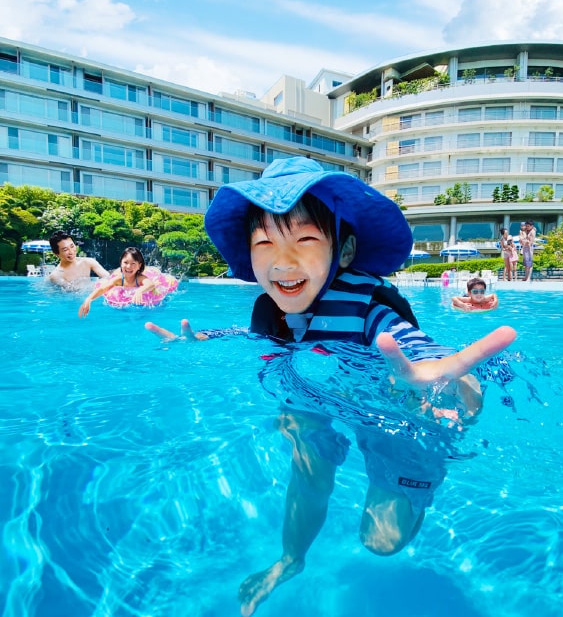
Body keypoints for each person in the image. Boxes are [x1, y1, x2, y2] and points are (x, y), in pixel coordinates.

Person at [145, 157, 516, 617]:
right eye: (265, 243)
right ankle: (291, 558)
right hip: (329, 395)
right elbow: (257, 340)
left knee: (381, 541)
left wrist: (452, 383)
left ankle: (420, 484)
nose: (284, 261)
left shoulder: (371, 310)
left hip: (400, 417)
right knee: (298, 424)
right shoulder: (273, 310)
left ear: (343, 251)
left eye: (304, 239)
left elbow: (424, 354)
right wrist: (202, 341)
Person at [78, 247, 158, 317]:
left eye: (133, 263)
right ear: (121, 263)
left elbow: (151, 284)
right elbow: (103, 288)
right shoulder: (119, 279)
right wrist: (89, 299)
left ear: (139, 266)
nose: (128, 266)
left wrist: (140, 290)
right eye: (125, 262)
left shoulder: (139, 278)